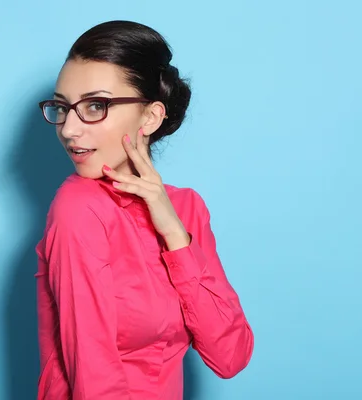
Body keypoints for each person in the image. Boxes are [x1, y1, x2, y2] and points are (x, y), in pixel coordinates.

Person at [34, 20, 254, 400]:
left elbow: (230, 355)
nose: (69, 129)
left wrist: (174, 236)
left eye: (95, 106)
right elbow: (93, 377)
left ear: (150, 117)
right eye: (63, 107)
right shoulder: (77, 209)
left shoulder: (186, 207)